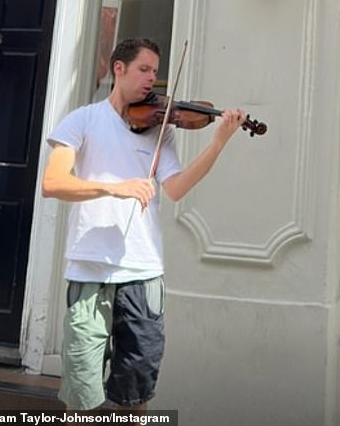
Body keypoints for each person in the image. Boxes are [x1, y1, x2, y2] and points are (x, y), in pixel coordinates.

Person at [42, 36, 246, 412]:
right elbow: (53, 184)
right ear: (119, 69)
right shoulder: (82, 120)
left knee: (136, 399)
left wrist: (218, 143)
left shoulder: (160, 127)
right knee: (81, 399)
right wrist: (113, 186)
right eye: (144, 69)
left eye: (155, 71)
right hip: (89, 272)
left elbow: (177, 188)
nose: (153, 79)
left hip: (142, 272)